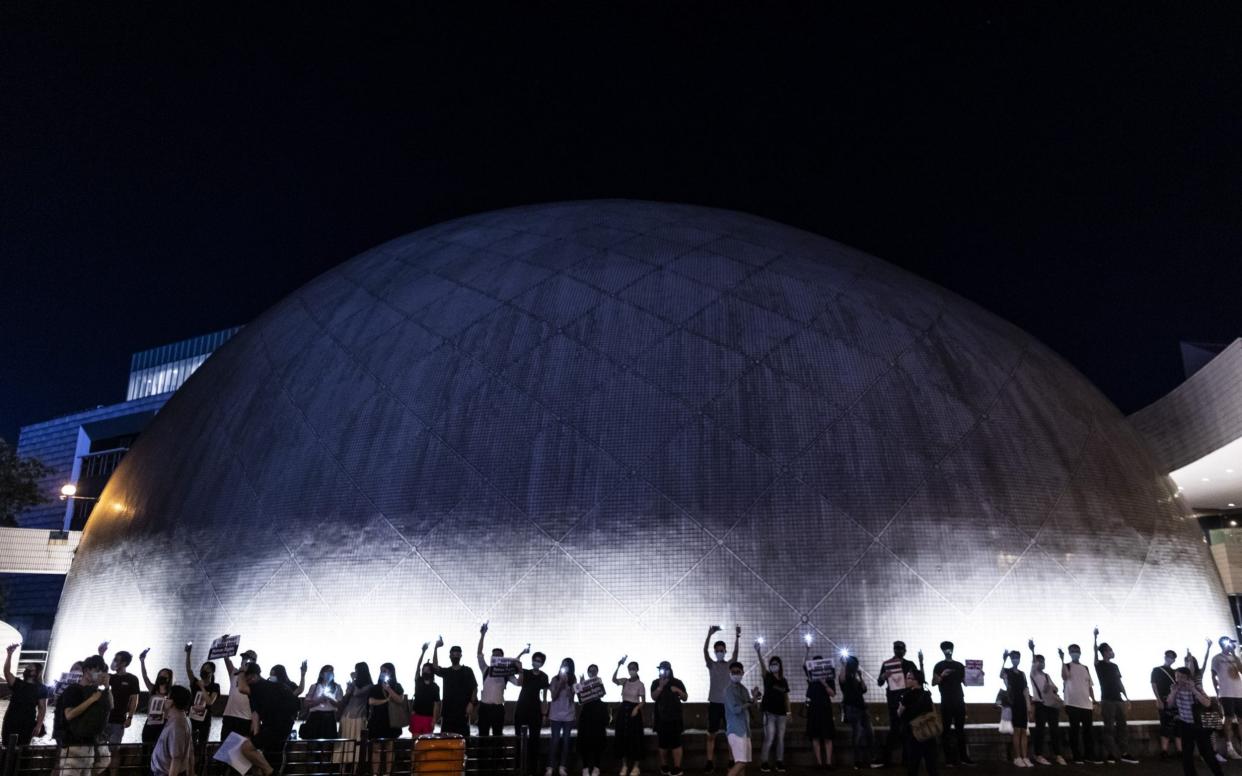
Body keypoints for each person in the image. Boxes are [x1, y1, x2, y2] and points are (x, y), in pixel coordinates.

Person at [59, 655, 113, 776]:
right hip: (73, 745)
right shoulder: (73, 690)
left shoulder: (96, 691)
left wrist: (107, 687)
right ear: (87, 671)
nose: (99, 674)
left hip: (89, 746)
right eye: (96, 670)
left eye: (101, 671)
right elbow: (69, 715)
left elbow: (110, 707)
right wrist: (92, 700)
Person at [242, 662, 300, 775]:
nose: (248, 683)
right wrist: (256, 734)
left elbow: (241, 688)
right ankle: (269, 770)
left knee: (248, 749)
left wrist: (240, 672)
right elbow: (256, 714)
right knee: (260, 757)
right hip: (275, 727)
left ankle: (270, 772)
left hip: (277, 727)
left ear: (255, 676)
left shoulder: (265, 687)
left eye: (248, 679)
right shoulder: (269, 687)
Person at [1169, 666, 1225, 776]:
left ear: (1188, 677)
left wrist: (1193, 689)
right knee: (1187, 755)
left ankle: (1219, 773)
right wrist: (1174, 692)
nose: (1179, 679)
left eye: (1182, 677)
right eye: (1177, 677)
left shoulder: (1197, 687)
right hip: (1185, 725)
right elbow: (1170, 704)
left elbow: (1207, 703)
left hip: (1200, 726)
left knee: (1207, 753)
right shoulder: (1173, 687)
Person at [1092, 629, 1137, 764]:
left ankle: (1122, 753)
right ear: (1105, 652)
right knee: (1109, 728)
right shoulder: (1099, 664)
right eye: (1110, 650)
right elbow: (1095, 652)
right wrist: (1095, 637)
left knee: (1122, 727)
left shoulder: (1115, 666)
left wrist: (1126, 697)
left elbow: (1119, 682)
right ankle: (1113, 754)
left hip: (1118, 699)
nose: (1112, 652)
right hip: (1107, 700)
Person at [704, 625, 741, 773]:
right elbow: (704, 651)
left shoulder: (730, 665)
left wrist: (737, 637)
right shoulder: (711, 665)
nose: (719, 652)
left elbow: (736, 653)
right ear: (715, 652)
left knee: (730, 735)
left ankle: (731, 760)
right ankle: (709, 761)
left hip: (728, 705)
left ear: (725, 651)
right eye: (717, 650)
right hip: (714, 704)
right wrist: (709, 635)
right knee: (711, 734)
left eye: (721, 650)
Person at [99, 643, 139, 775]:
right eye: (114, 659)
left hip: (118, 719)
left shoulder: (132, 679)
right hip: (103, 718)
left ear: (125, 663)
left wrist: (130, 717)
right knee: (99, 747)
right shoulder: (111, 677)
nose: (114, 662)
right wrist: (101, 654)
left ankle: (113, 774)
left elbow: (134, 699)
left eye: (117, 660)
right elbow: (101, 673)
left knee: (114, 749)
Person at [930, 641, 970, 767]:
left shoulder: (959, 665)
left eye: (949, 648)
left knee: (960, 730)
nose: (948, 650)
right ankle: (948, 759)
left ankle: (963, 757)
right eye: (945, 649)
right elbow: (933, 682)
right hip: (946, 701)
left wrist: (977, 674)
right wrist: (942, 675)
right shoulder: (939, 665)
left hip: (959, 700)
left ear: (953, 649)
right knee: (946, 730)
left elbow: (966, 682)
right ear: (942, 650)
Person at [877, 641, 917, 767]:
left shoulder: (910, 664)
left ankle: (906, 759)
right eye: (896, 649)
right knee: (895, 729)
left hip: (907, 700)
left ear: (904, 651)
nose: (898, 651)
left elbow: (919, 678)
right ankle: (887, 759)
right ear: (894, 650)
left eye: (900, 649)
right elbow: (879, 682)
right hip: (894, 701)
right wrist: (884, 676)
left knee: (907, 729)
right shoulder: (887, 664)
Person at [477, 623, 522, 737]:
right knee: (483, 734)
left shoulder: (506, 674)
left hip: (498, 708)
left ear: (502, 658)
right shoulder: (486, 669)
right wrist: (482, 635)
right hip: (484, 707)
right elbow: (479, 654)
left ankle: (498, 755)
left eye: (499, 656)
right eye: (494, 656)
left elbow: (518, 683)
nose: (496, 658)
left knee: (497, 735)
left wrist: (520, 670)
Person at [1028, 640, 1065, 766]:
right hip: (1040, 705)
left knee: (1055, 730)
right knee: (1040, 730)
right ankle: (1039, 755)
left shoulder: (1047, 675)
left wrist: (1052, 688)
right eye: (1038, 661)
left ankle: (1058, 754)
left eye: (1042, 661)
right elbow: (1033, 664)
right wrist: (1032, 650)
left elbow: (1055, 688)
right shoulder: (1033, 674)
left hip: (1052, 706)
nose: (1041, 663)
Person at [3, 643, 48, 747]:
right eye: (27, 668)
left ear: (36, 672)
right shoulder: (18, 683)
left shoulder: (41, 688)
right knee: (7, 745)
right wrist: (9, 655)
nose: (27, 669)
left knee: (22, 747)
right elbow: (6, 672)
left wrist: (39, 725)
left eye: (30, 668)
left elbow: (42, 708)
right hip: (11, 719)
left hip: (27, 722)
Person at [1059, 644, 1098, 765]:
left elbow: (1089, 686)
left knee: (1088, 731)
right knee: (1074, 730)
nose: (1075, 652)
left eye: (1077, 650)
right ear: (1069, 653)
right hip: (1072, 704)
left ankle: (1089, 755)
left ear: (1080, 652)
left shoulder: (1085, 668)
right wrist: (1061, 660)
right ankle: (1076, 755)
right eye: (1072, 651)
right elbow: (1064, 676)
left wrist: (1094, 700)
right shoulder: (1067, 666)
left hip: (1086, 704)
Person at [754, 641, 789, 773]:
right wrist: (758, 652)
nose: (774, 666)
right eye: (772, 664)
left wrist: (789, 712)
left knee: (780, 738)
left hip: (781, 714)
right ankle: (764, 762)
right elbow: (763, 668)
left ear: (780, 666)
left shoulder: (783, 681)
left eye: (776, 664)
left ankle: (779, 762)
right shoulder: (768, 677)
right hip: (769, 713)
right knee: (769, 737)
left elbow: (786, 697)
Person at [432, 637, 478, 736]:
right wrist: (436, 647)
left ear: (461, 655)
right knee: (446, 741)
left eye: (457, 653)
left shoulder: (467, 670)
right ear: (450, 656)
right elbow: (435, 668)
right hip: (448, 714)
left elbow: (475, 688)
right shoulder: (447, 672)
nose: (455, 655)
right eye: (453, 654)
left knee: (463, 741)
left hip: (463, 713)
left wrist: (471, 703)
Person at [515, 649, 551, 775]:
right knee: (519, 738)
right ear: (532, 661)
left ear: (542, 663)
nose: (536, 662)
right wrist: (522, 653)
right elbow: (515, 663)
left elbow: (545, 697)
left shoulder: (544, 676)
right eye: (535, 660)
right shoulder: (525, 672)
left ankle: (532, 769)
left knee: (534, 740)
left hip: (535, 710)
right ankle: (518, 767)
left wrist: (544, 714)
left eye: (539, 661)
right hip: (521, 708)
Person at [723, 661, 762, 776]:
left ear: (742, 673)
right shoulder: (728, 690)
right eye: (733, 672)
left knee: (742, 763)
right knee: (741, 762)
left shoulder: (743, 689)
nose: (735, 674)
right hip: (735, 730)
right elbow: (735, 709)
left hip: (745, 730)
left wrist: (755, 698)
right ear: (729, 673)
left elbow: (749, 705)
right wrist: (750, 701)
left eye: (738, 672)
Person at [896, 670, 937, 776]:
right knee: (931, 764)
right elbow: (932, 711)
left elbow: (900, 713)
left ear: (916, 680)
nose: (906, 680)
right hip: (928, 731)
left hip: (914, 733)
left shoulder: (907, 695)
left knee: (913, 764)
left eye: (909, 678)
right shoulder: (927, 694)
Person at [839, 654, 876, 769]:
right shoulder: (845, 676)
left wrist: (861, 676)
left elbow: (864, 689)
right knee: (857, 734)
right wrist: (843, 665)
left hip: (862, 707)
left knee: (870, 733)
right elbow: (841, 680)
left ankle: (872, 760)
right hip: (852, 708)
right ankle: (857, 762)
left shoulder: (855, 677)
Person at [651, 660, 688, 776]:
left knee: (676, 743)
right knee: (662, 744)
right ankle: (664, 766)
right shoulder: (656, 682)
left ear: (670, 670)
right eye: (661, 669)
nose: (663, 672)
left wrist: (677, 690)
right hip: (661, 718)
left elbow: (685, 697)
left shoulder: (677, 682)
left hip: (675, 718)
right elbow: (653, 697)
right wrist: (660, 687)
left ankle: (677, 767)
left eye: (665, 669)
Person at [802, 646, 836, 770]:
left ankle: (828, 762)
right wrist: (807, 650)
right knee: (815, 736)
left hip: (826, 708)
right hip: (813, 708)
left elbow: (832, 694)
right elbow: (803, 665)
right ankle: (819, 763)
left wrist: (824, 683)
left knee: (828, 736)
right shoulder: (811, 678)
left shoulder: (829, 677)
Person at [612, 656, 646, 776]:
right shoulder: (625, 681)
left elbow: (643, 701)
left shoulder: (640, 684)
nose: (631, 670)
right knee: (622, 737)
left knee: (635, 738)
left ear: (637, 669)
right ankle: (624, 765)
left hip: (634, 711)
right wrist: (618, 665)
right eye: (630, 668)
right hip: (623, 710)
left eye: (633, 668)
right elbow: (614, 679)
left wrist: (637, 708)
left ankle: (636, 767)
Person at [369, 662, 405, 776]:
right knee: (376, 749)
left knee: (390, 748)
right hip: (377, 721)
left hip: (392, 721)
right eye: (381, 671)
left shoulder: (397, 686)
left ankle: (387, 773)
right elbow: (371, 701)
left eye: (385, 671)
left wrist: (388, 689)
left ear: (391, 672)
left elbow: (400, 700)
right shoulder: (375, 687)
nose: (382, 673)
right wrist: (385, 701)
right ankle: (375, 773)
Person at [149, 685, 194, 776]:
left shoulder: (177, 726)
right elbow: (190, 749)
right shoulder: (182, 719)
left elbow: (176, 759)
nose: (164, 700)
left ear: (172, 702)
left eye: (167, 697)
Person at [1210, 635, 1242, 759]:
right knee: (1228, 718)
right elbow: (1213, 676)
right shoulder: (1217, 658)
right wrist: (1217, 692)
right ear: (1222, 644)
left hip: (1239, 693)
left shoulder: (1235, 658)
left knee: (1241, 719)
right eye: (1228, 642)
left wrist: (1234, 655)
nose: (1229, 645)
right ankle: (1229, 747)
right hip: (1226, 693)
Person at [182, 643, 219, 751]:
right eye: (203, 668)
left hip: (205, 720)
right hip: (192, 718)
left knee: (202, 746)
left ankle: (201, 765)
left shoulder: (215, 686)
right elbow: (189, 670)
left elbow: (210, 702)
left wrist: (203, 688)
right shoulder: (195, 682)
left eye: (207, 669)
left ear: (212, 672)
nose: (204, 670)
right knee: (189, 744)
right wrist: (188, 653)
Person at [220, 641, 258, 741]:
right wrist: (224, 644)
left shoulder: (255, 678)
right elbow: (226, 659)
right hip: (229, 715)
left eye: (248, 658)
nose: (245, 660)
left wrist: (254, 722)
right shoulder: (235, 672)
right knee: (225, 746)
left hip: (245, 718)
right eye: (244, 658)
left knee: (240, 749)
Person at [1000, 650, 1032, 767]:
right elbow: (1000, 674)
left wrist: (1028, 707)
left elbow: (1026, 690)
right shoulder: (1007, 671)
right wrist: (1004, 660)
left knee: (1024, 731)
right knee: (1017, 731)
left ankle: (1025, 757)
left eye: (1017, 657)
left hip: (1022, 703)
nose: (1015, 659)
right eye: (1013, 657)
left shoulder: (1022, 673)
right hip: (1013, 703)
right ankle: (1017, 757)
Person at [548, 658, 578, 776]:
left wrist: (567, 685)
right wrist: (561, 683)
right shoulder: (554, 679)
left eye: (568, 666)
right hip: (555, 715)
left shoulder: (573, 680)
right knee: (554, 741)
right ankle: (550, 767)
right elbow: (553, 697)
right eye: (563, 665)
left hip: (568, 715)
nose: (565, 667)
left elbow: (572, 699)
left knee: (566, 742)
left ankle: (562, 766)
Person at [577, 664, 608, 776]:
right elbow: (580, 699)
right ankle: (585, 767)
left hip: (599, 711)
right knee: (584, 741)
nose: (592, 672)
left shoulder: (599, 681)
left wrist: (597, 685)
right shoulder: (583, 682)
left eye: (594, 670)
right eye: (590, 671)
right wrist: (581, 685)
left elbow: (602, 694)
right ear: (588, 672)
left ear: (597, 672)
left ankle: (596, 767)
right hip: (587, 712)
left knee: (598, 742)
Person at [138, 649, 174, 744]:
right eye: (160, 675)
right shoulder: (153, 689)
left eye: (165, 675)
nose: (162, 677)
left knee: (158, 746)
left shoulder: (171, 693)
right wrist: (142, 661)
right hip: (150, 722)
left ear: (169, 678)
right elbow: (145, 676)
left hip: (163, 723)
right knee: (146, 744)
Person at [1153, 650, 1182, 760]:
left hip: (1176, 701)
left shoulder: (1176, 672)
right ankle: (1164, 751)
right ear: (1165, 657)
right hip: (1164, 700)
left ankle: (1180, 751)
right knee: (1165, 724)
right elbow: (1154, 684)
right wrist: (1158, 699)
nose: (1170, 658)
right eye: (1168, 656)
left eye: (1172, 657)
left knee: (1178, 725)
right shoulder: (1157, 670)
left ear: (1174, 659)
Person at [302, 665, 342, 739]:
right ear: (321, 674)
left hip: (330, 717)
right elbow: (306, 704)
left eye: (331, 671)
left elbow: (340, 705)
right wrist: (319, 700)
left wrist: (329, 698)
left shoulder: (337, 687)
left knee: (328, 742)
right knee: (313, 741)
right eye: (327, 671)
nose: (329, 673)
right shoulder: (314, 686)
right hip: (315, 716)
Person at [411, 644, 441, 736]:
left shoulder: (435, 687)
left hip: (429, 718)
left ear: (431, 672)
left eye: (427, 670)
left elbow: (436, 704)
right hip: (417, 716)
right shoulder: (418, 681)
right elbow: (418, 666)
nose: (424, 672)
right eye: (423, 670)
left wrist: (434, 719)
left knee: (426, 743)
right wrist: (423, 652)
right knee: (415, 742)